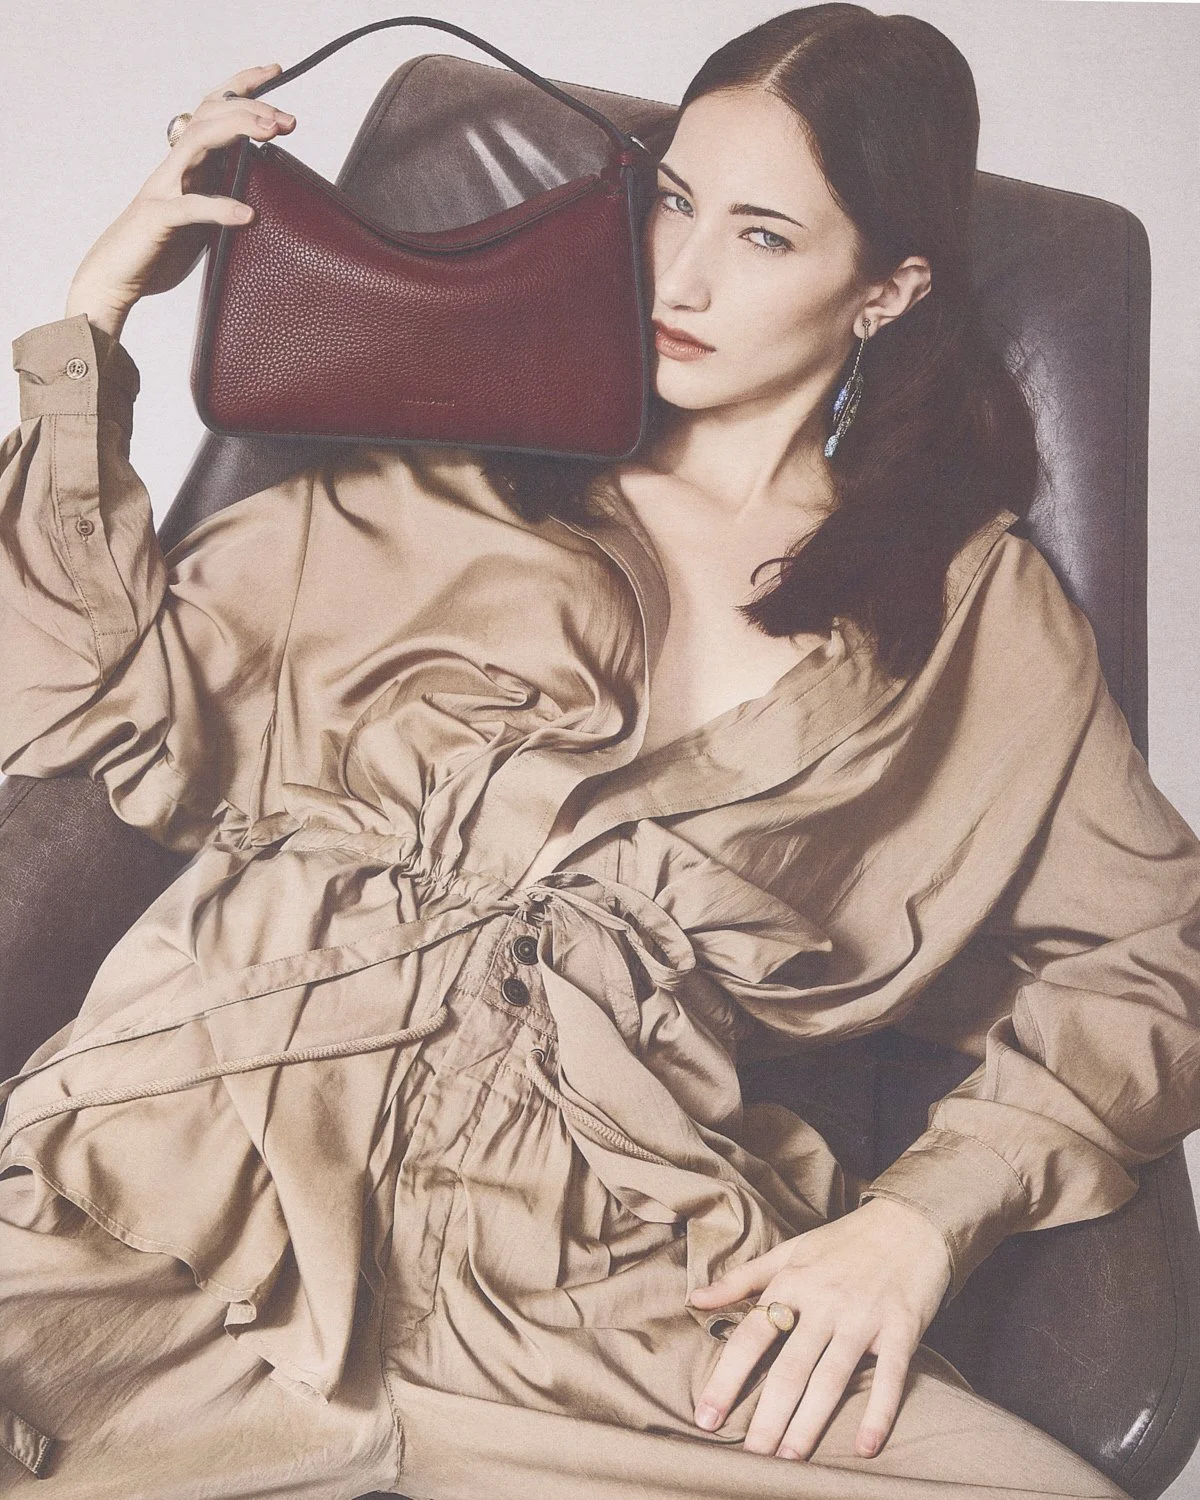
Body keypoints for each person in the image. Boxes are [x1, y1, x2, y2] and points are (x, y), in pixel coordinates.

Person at [0, 5, 1196, 1497]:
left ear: (886, 289)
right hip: (197, 1202)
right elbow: (70, 696)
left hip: (599, 1294)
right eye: (674, 203)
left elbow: (1152, 957)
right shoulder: (437, 480)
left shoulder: (974, 618)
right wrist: (87, 330)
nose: (679, 276)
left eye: (764, 237)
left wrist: (921, 1220)